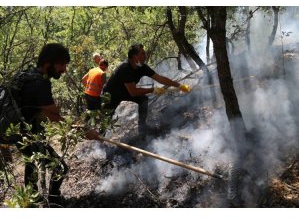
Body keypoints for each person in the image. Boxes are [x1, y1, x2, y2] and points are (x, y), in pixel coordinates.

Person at [15, 43, 99, 206]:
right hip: (28, 135)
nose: (64, 69)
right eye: (61, 64)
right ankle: (53, 201)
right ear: (48, 63)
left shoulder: (28, 74)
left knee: (31, 164)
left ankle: (31, 202)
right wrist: (85, 131)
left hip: (22, 133)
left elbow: (44, 111)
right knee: (59, 168)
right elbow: (57, 117)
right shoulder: (40, 83)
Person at [103, 43, 191, 133]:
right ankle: (99, 140)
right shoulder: (125, 69)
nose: (145, 56)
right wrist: (153, 90)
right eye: (143, 53)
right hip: (111, 94)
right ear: (135, 57)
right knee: (106, 117)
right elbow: (134, 92)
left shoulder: (142, 67)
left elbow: (160, 78)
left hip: (126, 91)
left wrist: (179, 86)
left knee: (143, 99)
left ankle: (142, 127)